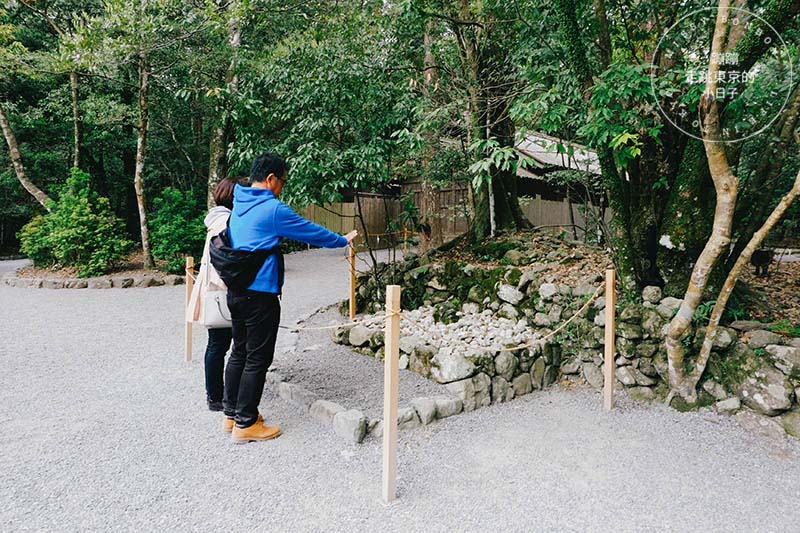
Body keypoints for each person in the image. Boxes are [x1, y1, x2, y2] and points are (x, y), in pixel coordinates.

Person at [223, 153, 357, 443]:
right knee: (257, 358)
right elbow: (310, 230)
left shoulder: (238, 205)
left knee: (239, 352)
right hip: (260, 295)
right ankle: (246, 424)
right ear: (270, 179)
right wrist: (342, 240)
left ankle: (232, 414)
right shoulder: (272, 209)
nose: (282, 186)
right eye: (282, 180)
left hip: (235, 291)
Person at [187, 177, 238, 411]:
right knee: (220, 345)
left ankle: (216, 394)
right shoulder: (225, 221)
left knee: (217, 344)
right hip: (221, 290)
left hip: (213, 289)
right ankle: (217, 396)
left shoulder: (217, 218)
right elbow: (223, 259)